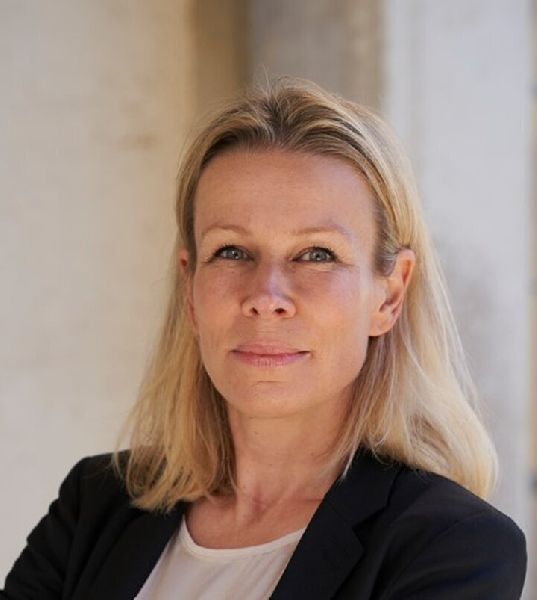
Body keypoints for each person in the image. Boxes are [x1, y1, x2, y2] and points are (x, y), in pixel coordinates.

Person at [1, 77, 527, 600]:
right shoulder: (96, 505)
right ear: (190, 286)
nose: (266, 295)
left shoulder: (452, 546)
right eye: (231, 252)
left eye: (317, 254)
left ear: (389, 295)